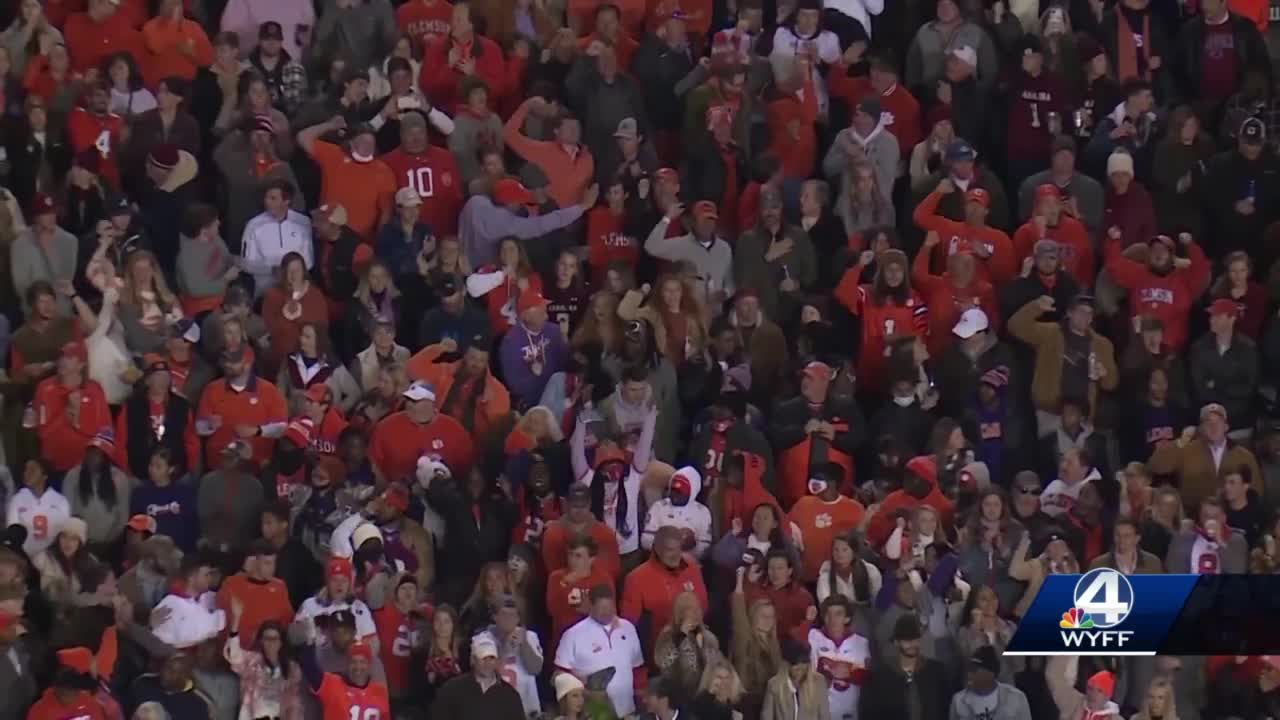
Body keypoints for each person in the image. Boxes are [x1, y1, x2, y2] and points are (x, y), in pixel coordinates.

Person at [555, 584, 645, 718]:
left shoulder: (628, 628)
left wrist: (641, 699)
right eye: (602, 608)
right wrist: (584, 688)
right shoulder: (573, 634)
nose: (608, 612)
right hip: (593, 714)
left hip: (628, 712)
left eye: (610, 607)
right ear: (590, 606)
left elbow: (637, 668)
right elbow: (559, 675)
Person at [431, 634, 526, 717]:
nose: (487, 663)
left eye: (491, 658)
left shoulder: (510, 695)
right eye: (483, 658)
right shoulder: (451, 690)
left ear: (497, 661)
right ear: (473, 660)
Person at [949, 646, 1032, 720]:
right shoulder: (958, 700)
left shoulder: (1016, 697)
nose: (970, 673)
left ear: (991, 672)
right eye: (970, 668)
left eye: (975, 669)